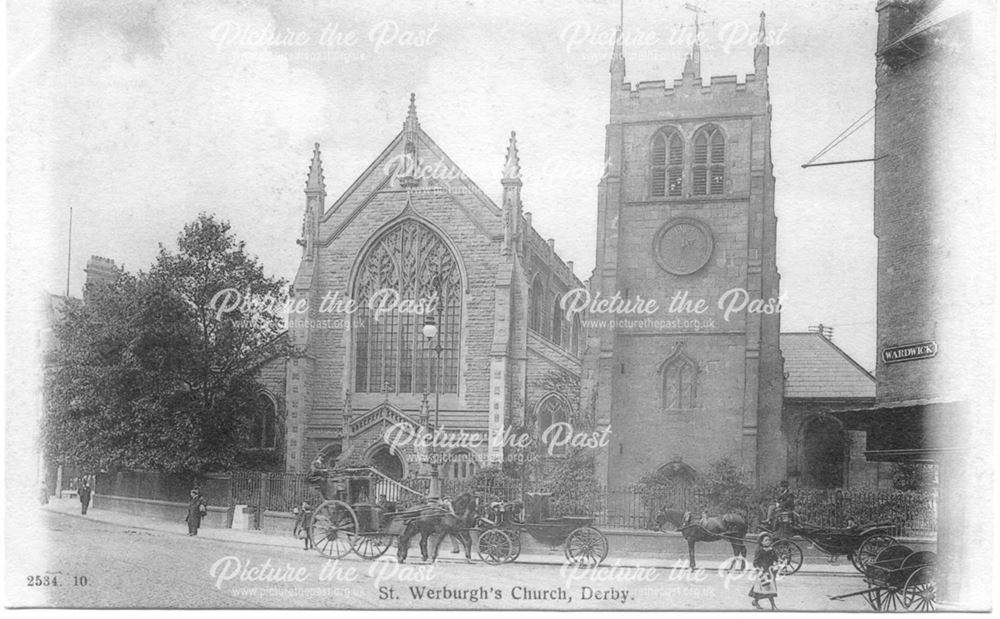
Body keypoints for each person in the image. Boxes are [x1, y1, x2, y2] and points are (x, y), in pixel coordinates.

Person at [749, 532, 779, 610]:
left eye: (769, 540)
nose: (768, 541)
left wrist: (777, 564)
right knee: (764, 588)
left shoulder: (772, 550)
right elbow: (755, 562)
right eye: (766, 540)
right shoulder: (759, 550)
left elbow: (776, 559)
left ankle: (757, 601)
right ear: (761, 542)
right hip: (762, 572)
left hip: (770, 571)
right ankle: (773, 606)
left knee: (769, 588)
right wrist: (759, 571)